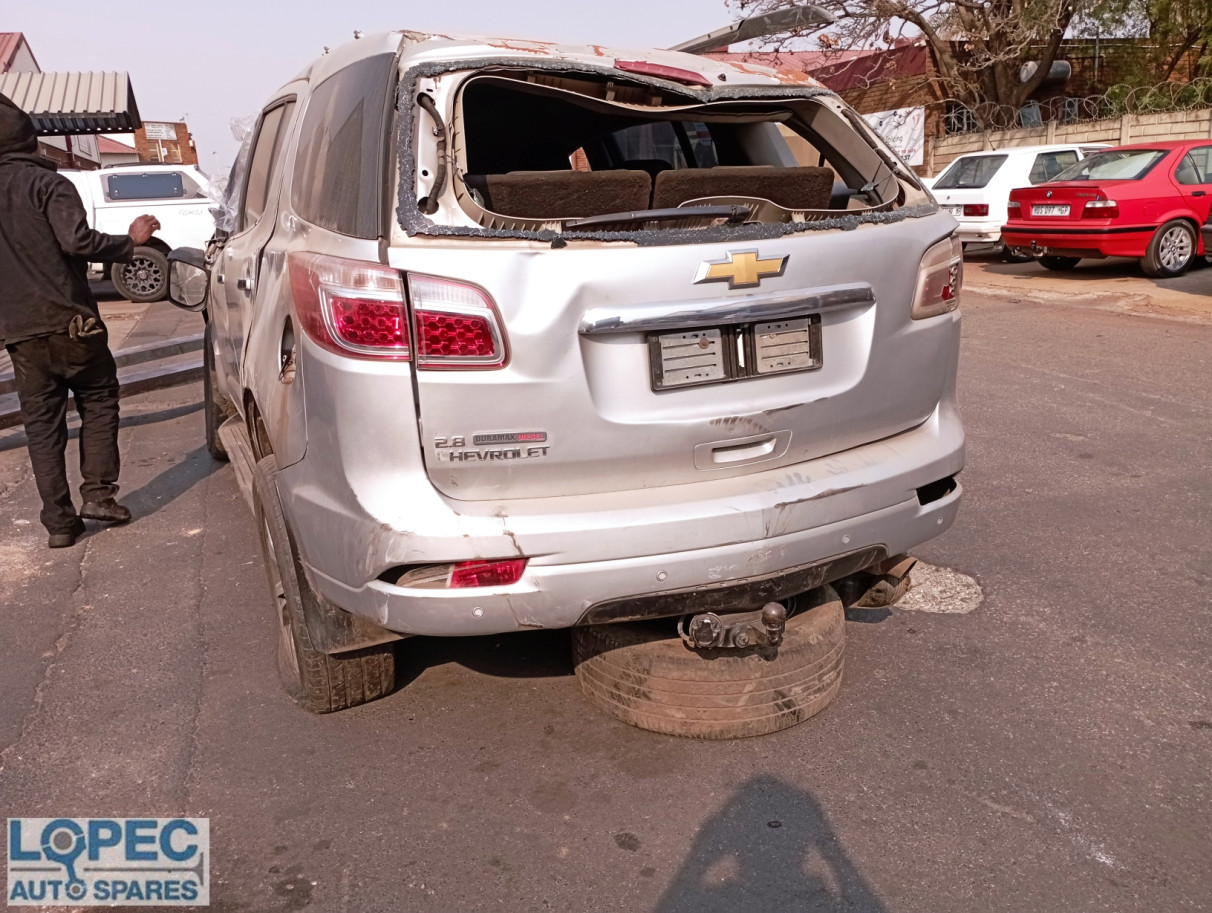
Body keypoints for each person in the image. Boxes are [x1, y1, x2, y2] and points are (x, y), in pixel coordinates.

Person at [0, 93, 160, 548]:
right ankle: (99, 496)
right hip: (72, 324)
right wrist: (129, 242)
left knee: (41, 426)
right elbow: (77, 241)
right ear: (29, 138)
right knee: (98, 400)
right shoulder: (48, 185)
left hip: (21, 334)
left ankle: (59, 524)